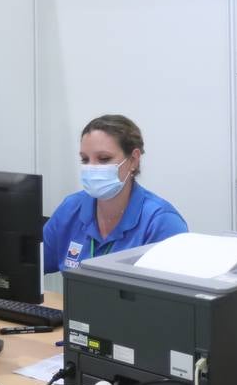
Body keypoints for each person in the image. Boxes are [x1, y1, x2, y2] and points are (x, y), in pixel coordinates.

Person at [43, 113, 188, 274]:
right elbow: (32, 265)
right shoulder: (71, 208)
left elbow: (171, 294)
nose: (91, 168)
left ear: (133, 160)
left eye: (104, 159)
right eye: (85, 159)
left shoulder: (161, 221)